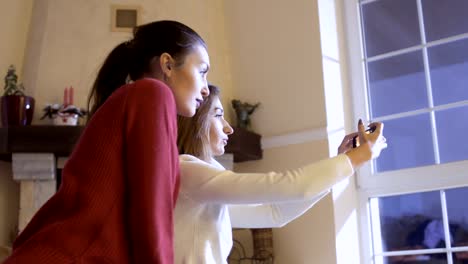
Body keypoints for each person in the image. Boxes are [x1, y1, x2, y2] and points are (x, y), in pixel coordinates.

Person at [4, 20, 210, 264]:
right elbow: (151, 210)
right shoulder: (153, 93)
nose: (206, 89)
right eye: (202, 72)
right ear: (167, 64)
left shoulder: (133, 98)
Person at [175, 84, 387, 263]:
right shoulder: (186, 170)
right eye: (218, 115)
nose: (229, 128)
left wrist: (345, 161)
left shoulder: (206, 176)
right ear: (195, 121)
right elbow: (289, 185)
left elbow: (273, 213)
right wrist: (359, 156)